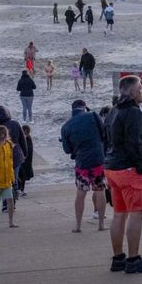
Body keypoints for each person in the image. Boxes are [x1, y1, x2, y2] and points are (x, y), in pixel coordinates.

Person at [105, 76, 142, 273]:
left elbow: (107, 139)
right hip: (128, 169)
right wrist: (140, 164)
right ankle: (133, 259)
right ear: (132, 91)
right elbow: (135, 141)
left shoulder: (113, 111)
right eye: (140, 88)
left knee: (119, 214)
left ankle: (118, 258)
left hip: (111, 167)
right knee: (137, 213)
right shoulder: (133, 112)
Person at [61, 99, 109, 232]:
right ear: (84, 107)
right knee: (100, 191)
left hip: (81, 163)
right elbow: (104, 134)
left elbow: (67, 150)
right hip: (98, 160)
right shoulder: (93, 116)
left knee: (81, 193)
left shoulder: (66, 126)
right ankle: (101, 224)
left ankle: (78, 225)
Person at [19, 124, 34, 196]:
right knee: (20, 175)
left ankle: (22, 190)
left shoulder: (28, 139)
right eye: (25, 133)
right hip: (22, 161)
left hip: (26, 161)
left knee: (23, 176)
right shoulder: (20, 139)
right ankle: (19, 189)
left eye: (27, 134)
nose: (26, 135)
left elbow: (29, 150)